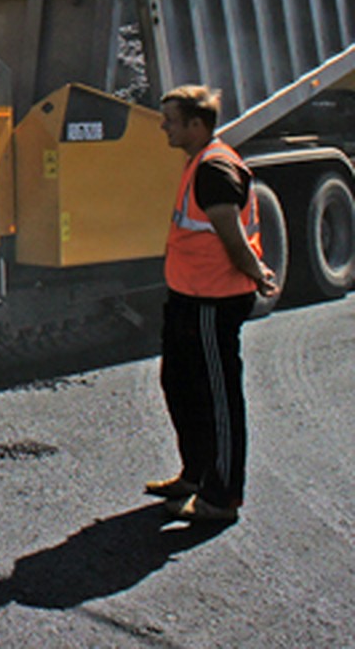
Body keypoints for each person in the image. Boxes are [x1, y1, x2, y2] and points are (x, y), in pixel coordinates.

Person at [145, 84, 278, 523]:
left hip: (213, 300)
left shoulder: (215, 168)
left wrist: (257, 274)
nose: (163, 126)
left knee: (217, 397)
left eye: (171, 120)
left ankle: (220, 498)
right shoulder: (199, 161)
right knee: (179, 385)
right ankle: (195, 475)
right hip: (189, 296)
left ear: (196, 125)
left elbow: (230, 234)